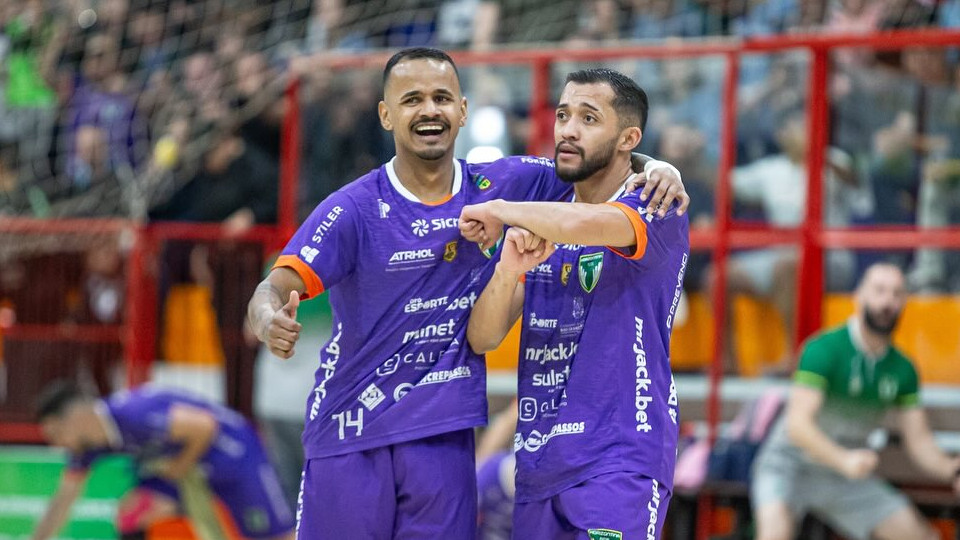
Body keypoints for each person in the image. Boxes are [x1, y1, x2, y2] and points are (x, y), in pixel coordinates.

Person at [246, 47, 688, 539]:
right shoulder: (354, 207)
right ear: (386, 114)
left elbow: (601, 177)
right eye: (411, 99)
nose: (428, 110)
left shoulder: (519, 190)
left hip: (462, 437)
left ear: (463, 110)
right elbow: (275, 286)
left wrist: (658, 167)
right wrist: (268, 318)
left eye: (440, 97)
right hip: (358, 431)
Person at [461, 68, 689, 539]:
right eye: (564, 114)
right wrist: (507, 270)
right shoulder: (549, 209)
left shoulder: (655, 201)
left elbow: (586, 224)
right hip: (540, 462)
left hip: (619, 458)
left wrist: (502, 210)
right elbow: (483, 337)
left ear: (629, 138)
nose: (567, 128)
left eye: (589, 118)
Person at [751, 263, 960, 540]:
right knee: (774, 533)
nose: (888, 302)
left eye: (897, 294)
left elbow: (919, 441)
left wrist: (953, 470)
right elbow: (797, 426)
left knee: (919, 535)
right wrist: (843, 460)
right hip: (790, 464)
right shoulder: (823, 348)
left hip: (847, 475)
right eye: (879, 291)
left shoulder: (903, 369)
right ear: (858, 296)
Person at [31, 382, 296, 540]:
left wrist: (178, 469)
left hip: (233, 456)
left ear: (76, 418)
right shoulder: (87, 447)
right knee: (133, 511)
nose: (57, 445)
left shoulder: (134, 413)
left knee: (274, 536)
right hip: (186, 468)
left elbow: (204, 427)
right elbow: (63, 499)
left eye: (56, 434)